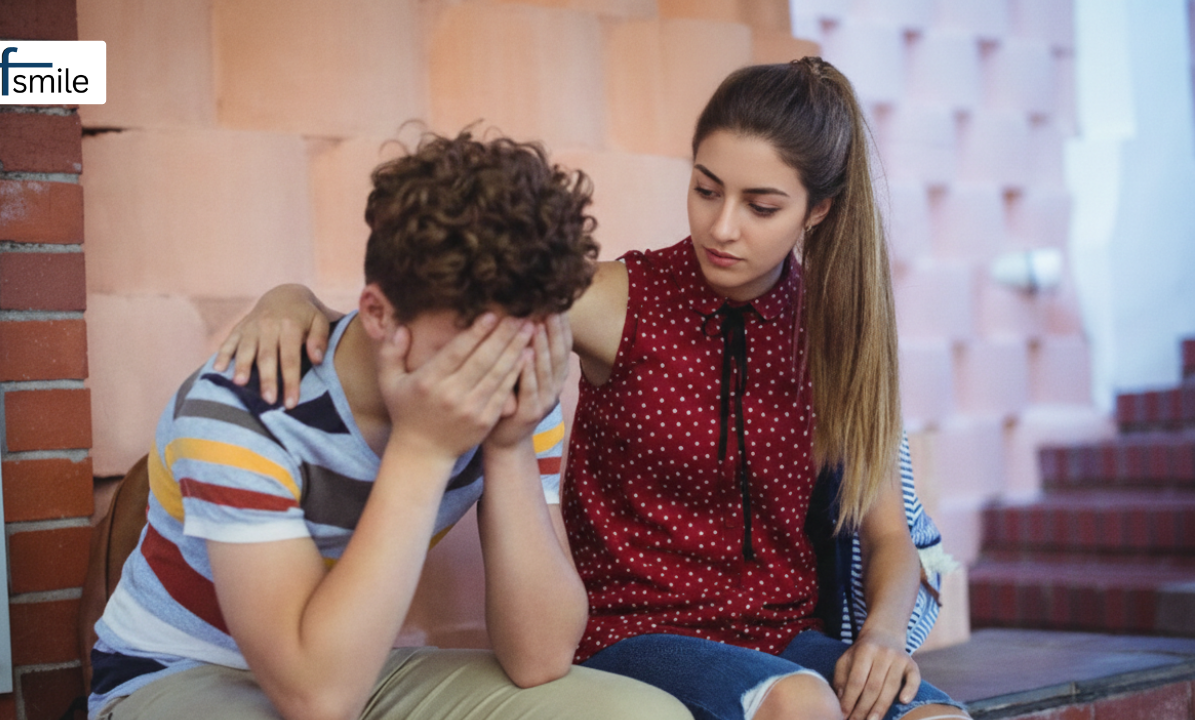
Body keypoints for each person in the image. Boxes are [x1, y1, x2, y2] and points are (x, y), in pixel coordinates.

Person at [217, 59, 970, 720]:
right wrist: (296, 300)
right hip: (634, 632)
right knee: (800, 706)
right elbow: (451, 308)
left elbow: (888, 537)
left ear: (820, 210)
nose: (723, 226)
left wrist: (877, 640)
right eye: (706, 190)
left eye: (761, 206)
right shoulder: (617, 297)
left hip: (785, 635)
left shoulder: (838, 335)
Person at [87, 131, 693, 720]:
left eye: (532, 329)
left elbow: (539, 657)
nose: (503, 360)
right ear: (378, 314)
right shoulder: (244, 405)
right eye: (475, 334)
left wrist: (509, 448)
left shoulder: (514, 392)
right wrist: (424, 450)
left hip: (358, 664)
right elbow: (318, 701)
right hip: (183, 674)